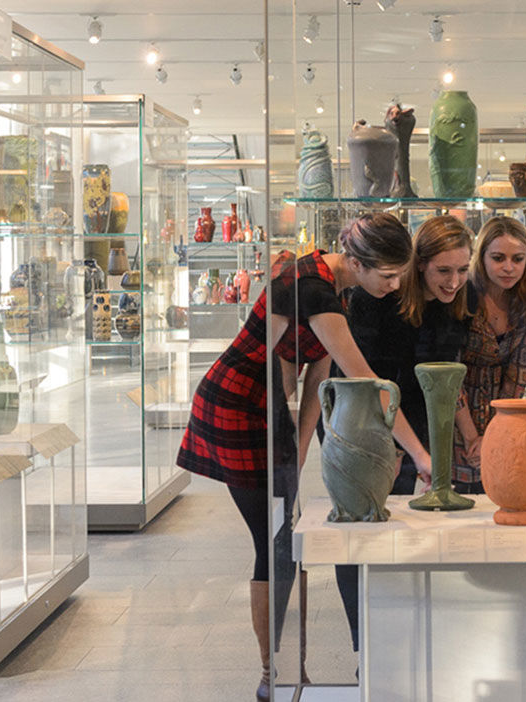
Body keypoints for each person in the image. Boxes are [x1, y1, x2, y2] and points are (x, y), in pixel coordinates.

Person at [175, 213, 432, 702]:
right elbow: (364, 382)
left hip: (266, 406)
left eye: (401, 274)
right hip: (235, 402)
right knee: (272, 542)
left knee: (283, 533)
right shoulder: (313, 288)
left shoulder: (332, 286)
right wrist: (418, 452)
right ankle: (273, 673)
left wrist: (296, 449)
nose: (396, 285)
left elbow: (317, 380)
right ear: (356, 261)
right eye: (389, 275)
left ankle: (283, 670)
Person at [333, 214, 475, 653]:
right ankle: (367, 648)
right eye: (443, 271)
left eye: (463, 270)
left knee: (407, 532)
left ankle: (402, 641)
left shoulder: (455, 301)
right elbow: (370, 385)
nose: (454, 281)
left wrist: (458, 439)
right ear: (419, 265)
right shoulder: (378, 299)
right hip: (367, 425)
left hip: (415, 428)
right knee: (362, 531)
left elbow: (443, 380)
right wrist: (402, 447)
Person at [453, 216, 526, 493]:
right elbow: (450, 372)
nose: (508, 267)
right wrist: (472, 438)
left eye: (517, 259)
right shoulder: (460, 293)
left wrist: (496, 432)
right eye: (498, 258)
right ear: (480, 257)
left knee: (500, 493)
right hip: (455, 411)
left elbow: (519, 371)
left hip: (501, 414)